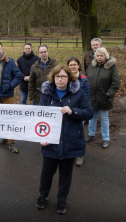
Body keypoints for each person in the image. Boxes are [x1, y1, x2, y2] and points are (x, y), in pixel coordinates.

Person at [36, 65, 93, 214]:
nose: (60, 79)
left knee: (66, 174)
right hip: (51, 142)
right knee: (47, 172)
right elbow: (40, 117)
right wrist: (41, 137)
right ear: (53, 78)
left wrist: (73, 111)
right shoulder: (46, 94)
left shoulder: (78, 94)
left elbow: (89, 113)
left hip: (70, 141)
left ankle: (62, 200)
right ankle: (43, 196)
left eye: (63, 76)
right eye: (57, 77)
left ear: (70, 78)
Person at [85, 47, 120, 148]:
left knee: (104, 119)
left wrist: (108, 95)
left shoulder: (111, 67)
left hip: (104, 98)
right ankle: (91, 135)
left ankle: (106, 138)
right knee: (91, 117)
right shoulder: (92, 66)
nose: (99, 57)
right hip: (92, 97)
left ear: (106, 56)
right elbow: (86, 78)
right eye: (98, 55)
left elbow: (116, 83)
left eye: (101, 55)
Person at [66, 56, 91, 167]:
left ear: (79, 66)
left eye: (75, 64)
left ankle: (80, 155)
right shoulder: (66, 78)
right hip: (67, 109)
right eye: (70, 65)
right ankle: (70, 152)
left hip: (79, 111)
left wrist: (81, 111)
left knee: (79, 133)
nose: (73, 66)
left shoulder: (84, 79)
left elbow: (86, 96)